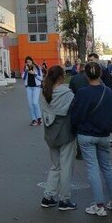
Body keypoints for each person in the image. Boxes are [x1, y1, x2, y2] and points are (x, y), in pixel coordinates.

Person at [69, 62, 112, 216]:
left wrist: (75, 128)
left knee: (92, 168)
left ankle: (99, 205)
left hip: (86, 134)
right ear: (101, 74)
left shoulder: (82, 93)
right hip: (104, 135)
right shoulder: (108, 92)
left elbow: (75, 114)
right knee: (107, 167)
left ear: (86, 75)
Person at [39, 65, 77, 211]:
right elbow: (74, 112)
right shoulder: (67, 94)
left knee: (55, 166)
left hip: (50, 134)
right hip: (65, 133)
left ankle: (47, 197)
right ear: (61, 78)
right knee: (66, 167)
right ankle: (64, 199)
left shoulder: (44, 93)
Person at [22, 56, 43, 125]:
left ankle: (39, 118)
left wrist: (34, 73)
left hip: (36, 87)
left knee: (35, 102)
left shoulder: (37, 67)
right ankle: (34, 120)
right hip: (29, 88)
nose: (28, 63)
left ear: (32, 61)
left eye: (29, 62)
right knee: (30, 104)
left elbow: (41, 78)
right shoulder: (25, 68)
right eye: (27, 62)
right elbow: (23, 78)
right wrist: (26, 71)